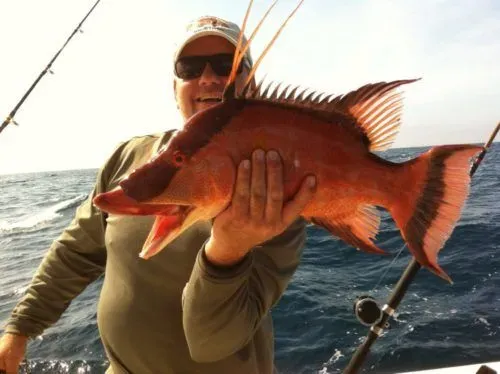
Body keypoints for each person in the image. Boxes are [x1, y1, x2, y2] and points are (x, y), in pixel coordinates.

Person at [0, 15, 317, 374]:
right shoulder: (129, 158)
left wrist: (227, 253)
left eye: (227, 66)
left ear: (253, 84)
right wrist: (19, 329)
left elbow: (213, 343)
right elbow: (76, 252)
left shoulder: (278, 191)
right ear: (174, 87)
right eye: (190, 68)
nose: (209, 78)